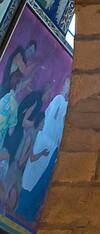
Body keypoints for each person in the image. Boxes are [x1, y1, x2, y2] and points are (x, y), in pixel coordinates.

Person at [18, 75, 69, 224]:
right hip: (45, 142)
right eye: (67, 84)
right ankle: (22, 212)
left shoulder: (66, 105)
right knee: (31, 178)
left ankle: (29, 215)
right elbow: (49, 121)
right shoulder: (58, 100)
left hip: (53, 149)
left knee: (41, 184)